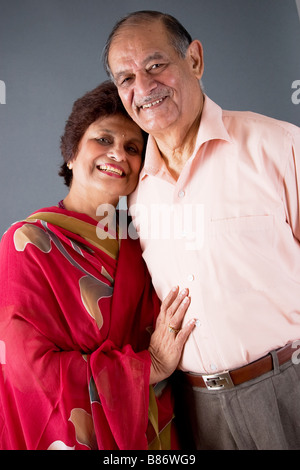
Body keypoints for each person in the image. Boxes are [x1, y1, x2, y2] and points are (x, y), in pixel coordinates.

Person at [104, 10, 300, 450]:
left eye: (156, 65)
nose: (144, 87)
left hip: (291, 385)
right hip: (197, 412)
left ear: (194, 60)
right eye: (127, 78)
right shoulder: (132, 195)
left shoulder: (278, 145)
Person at [0, 80, 196, 450]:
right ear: (71, 153)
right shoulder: (26, 244)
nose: (118, 154)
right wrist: (146, 367)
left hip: (157, 429)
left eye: (132, 147)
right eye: (103, 140)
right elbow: (25, 371)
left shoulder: (144, 243)